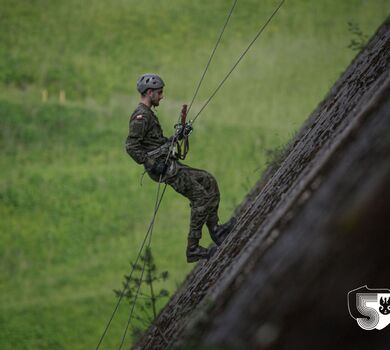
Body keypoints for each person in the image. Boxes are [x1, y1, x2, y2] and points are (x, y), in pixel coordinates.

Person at [125, 73, 235, 263]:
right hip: (164, 168)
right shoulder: (141, 116)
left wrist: (178, 136)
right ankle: (193, 248)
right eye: (159, 93)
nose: (162, 96)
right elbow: (131, 147)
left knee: (208, 181)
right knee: (200, 196)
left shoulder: (149, 114)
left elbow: (155, 143)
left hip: (168, 162)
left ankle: (216, 230)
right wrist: (153, 164)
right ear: (149, 92)